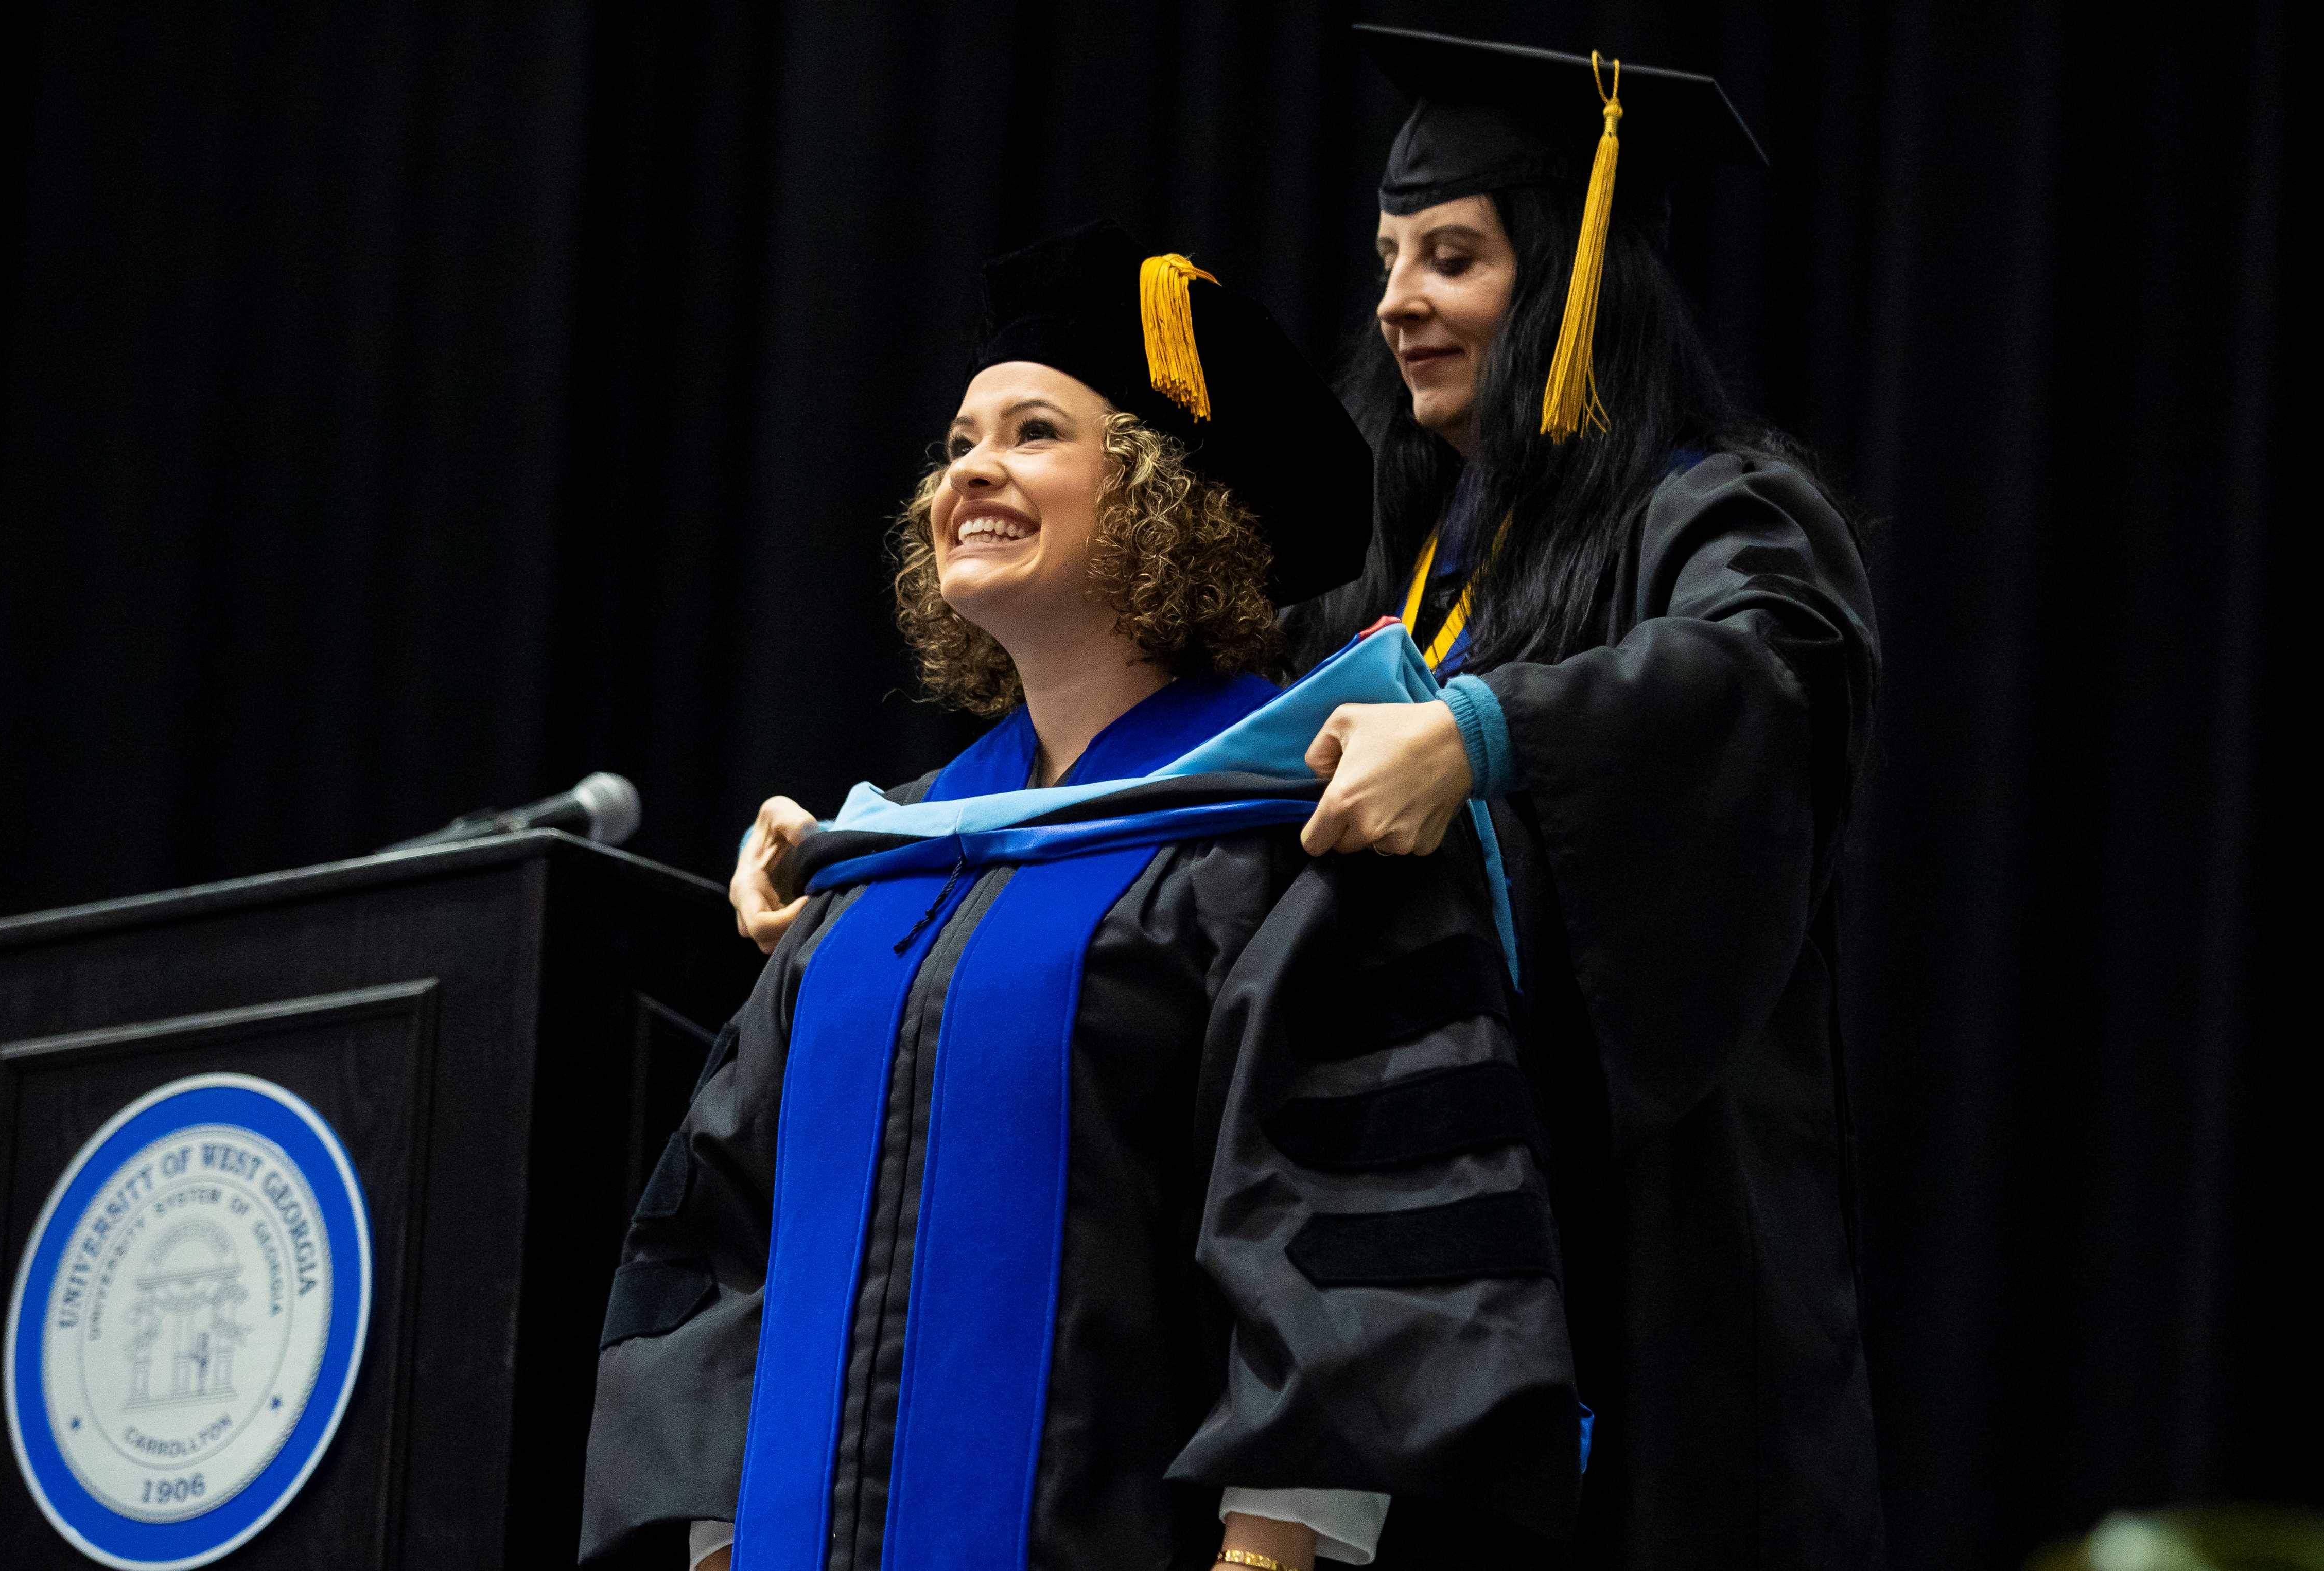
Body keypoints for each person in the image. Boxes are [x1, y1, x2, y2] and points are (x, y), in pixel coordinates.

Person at [727, 28, 1884, 1571]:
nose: (1401, 300)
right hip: (1391, 1229)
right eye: (1392, 256)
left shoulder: (1708, 512)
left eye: (1455, 258)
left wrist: (1482, 732)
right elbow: (1141, 771)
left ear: (1572, 278)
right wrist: (873, 845)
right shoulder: (1374, 587)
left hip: (1632, 1227)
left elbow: (1764, 677)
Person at [586, 221, 1586, 1571]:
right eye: (956, 445)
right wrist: (715, 1543)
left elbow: (1357, 1227)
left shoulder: (1290, 837)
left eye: (1036, 433)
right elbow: (726, 1232)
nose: (973, 472)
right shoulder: (879, 866)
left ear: (1172, 503)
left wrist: (1270, 1548)